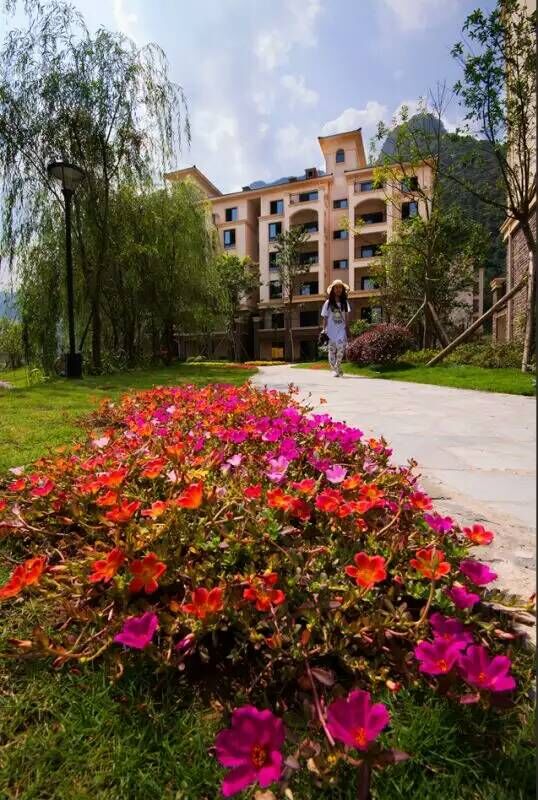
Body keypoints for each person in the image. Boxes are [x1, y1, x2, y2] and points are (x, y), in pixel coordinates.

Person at [321, 279, 351, 377]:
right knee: (332, 350)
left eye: (340, 287)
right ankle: (334, 369)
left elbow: (347, 317)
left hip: (341, 330)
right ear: (333, 290)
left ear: (342, 289)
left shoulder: (345, 303)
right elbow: (325, 317)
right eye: (336, 287)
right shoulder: (328, 303)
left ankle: (337, 366)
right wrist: (324, 329)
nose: (338, 289)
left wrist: (347, 329)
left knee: (341, 349)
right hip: (330, 331)